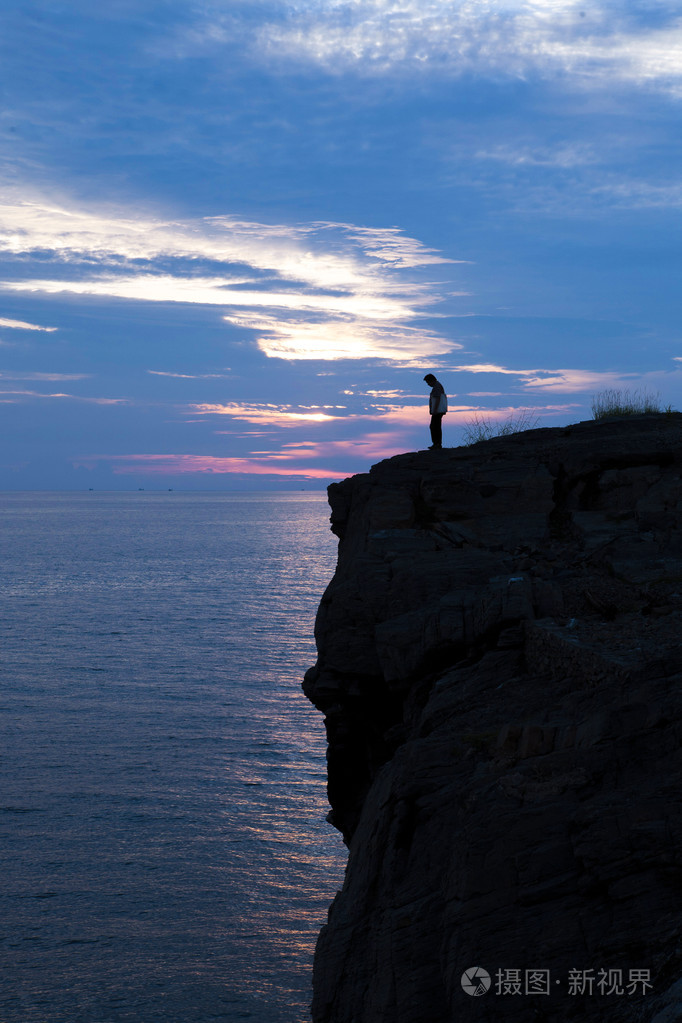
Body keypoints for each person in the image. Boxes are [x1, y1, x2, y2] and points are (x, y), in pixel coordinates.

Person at [423, 373, 447, 449]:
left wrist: (435, 410)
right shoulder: (438, 386)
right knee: (435, 426)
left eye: (428, 382)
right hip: (437, 411)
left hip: (437, 411)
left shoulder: (437, 386)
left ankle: (437, 444)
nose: (428, 384)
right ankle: (437, 444)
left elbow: (437, 399)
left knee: (434, 426)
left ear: (432, 380)